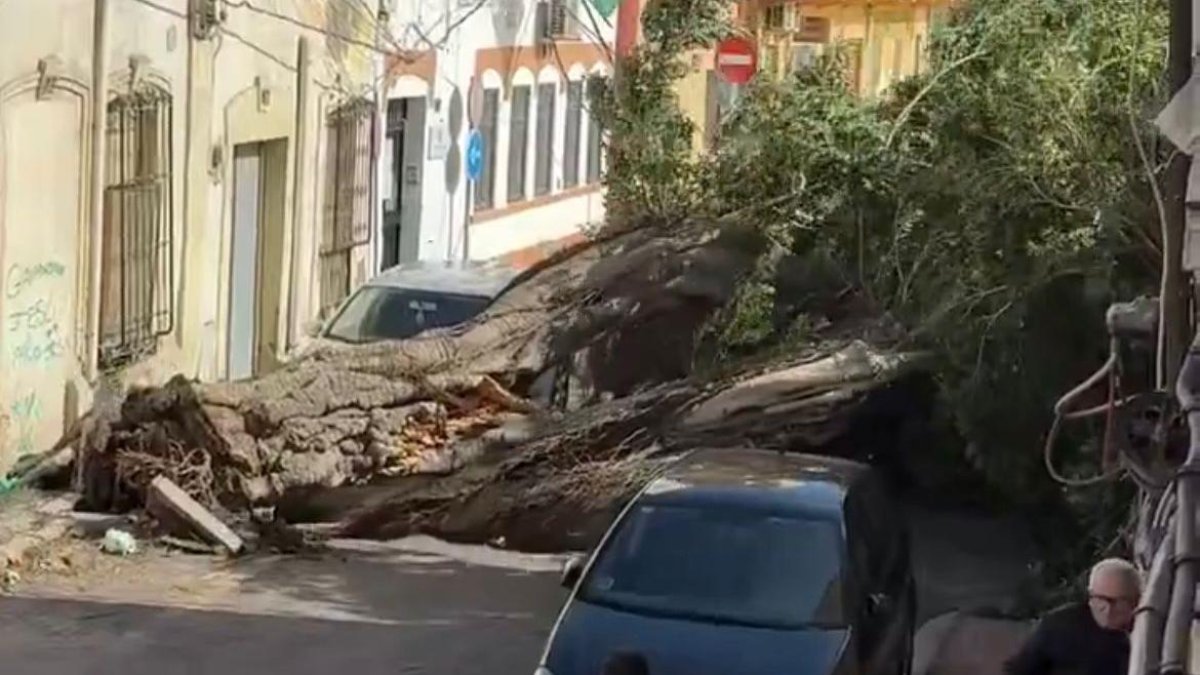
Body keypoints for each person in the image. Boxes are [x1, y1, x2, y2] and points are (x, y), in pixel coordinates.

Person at [1004, 557, 1141, 675]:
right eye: (1100, 599)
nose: (1108, 609)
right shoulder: (1059, 625)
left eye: (1119, 602)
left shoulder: (1144, 635)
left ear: (1136, 601)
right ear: (1090, 595)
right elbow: (1020, 669)